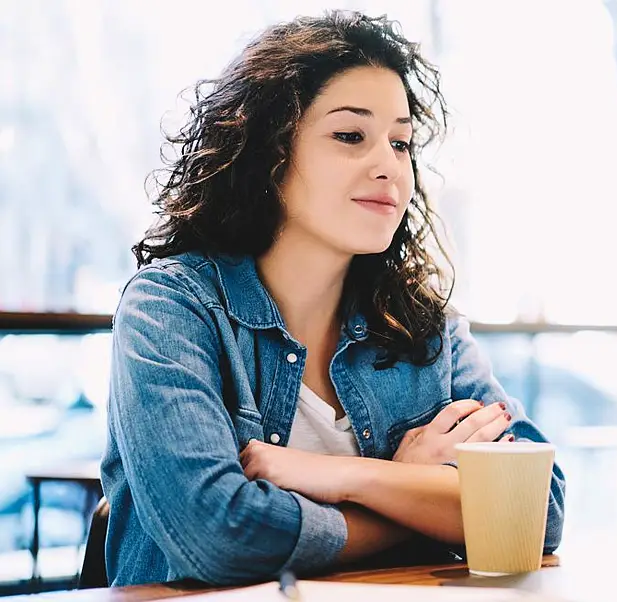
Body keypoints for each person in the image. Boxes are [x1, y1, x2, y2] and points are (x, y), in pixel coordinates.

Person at [100, 10, 565, 587]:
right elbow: (220, 538)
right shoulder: (171, 308)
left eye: (400, 143)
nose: (389, 167)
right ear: (267, 156)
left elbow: (537, 510)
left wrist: (344, 476)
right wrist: (414, 497)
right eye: (351, 136)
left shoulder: (423, 325)